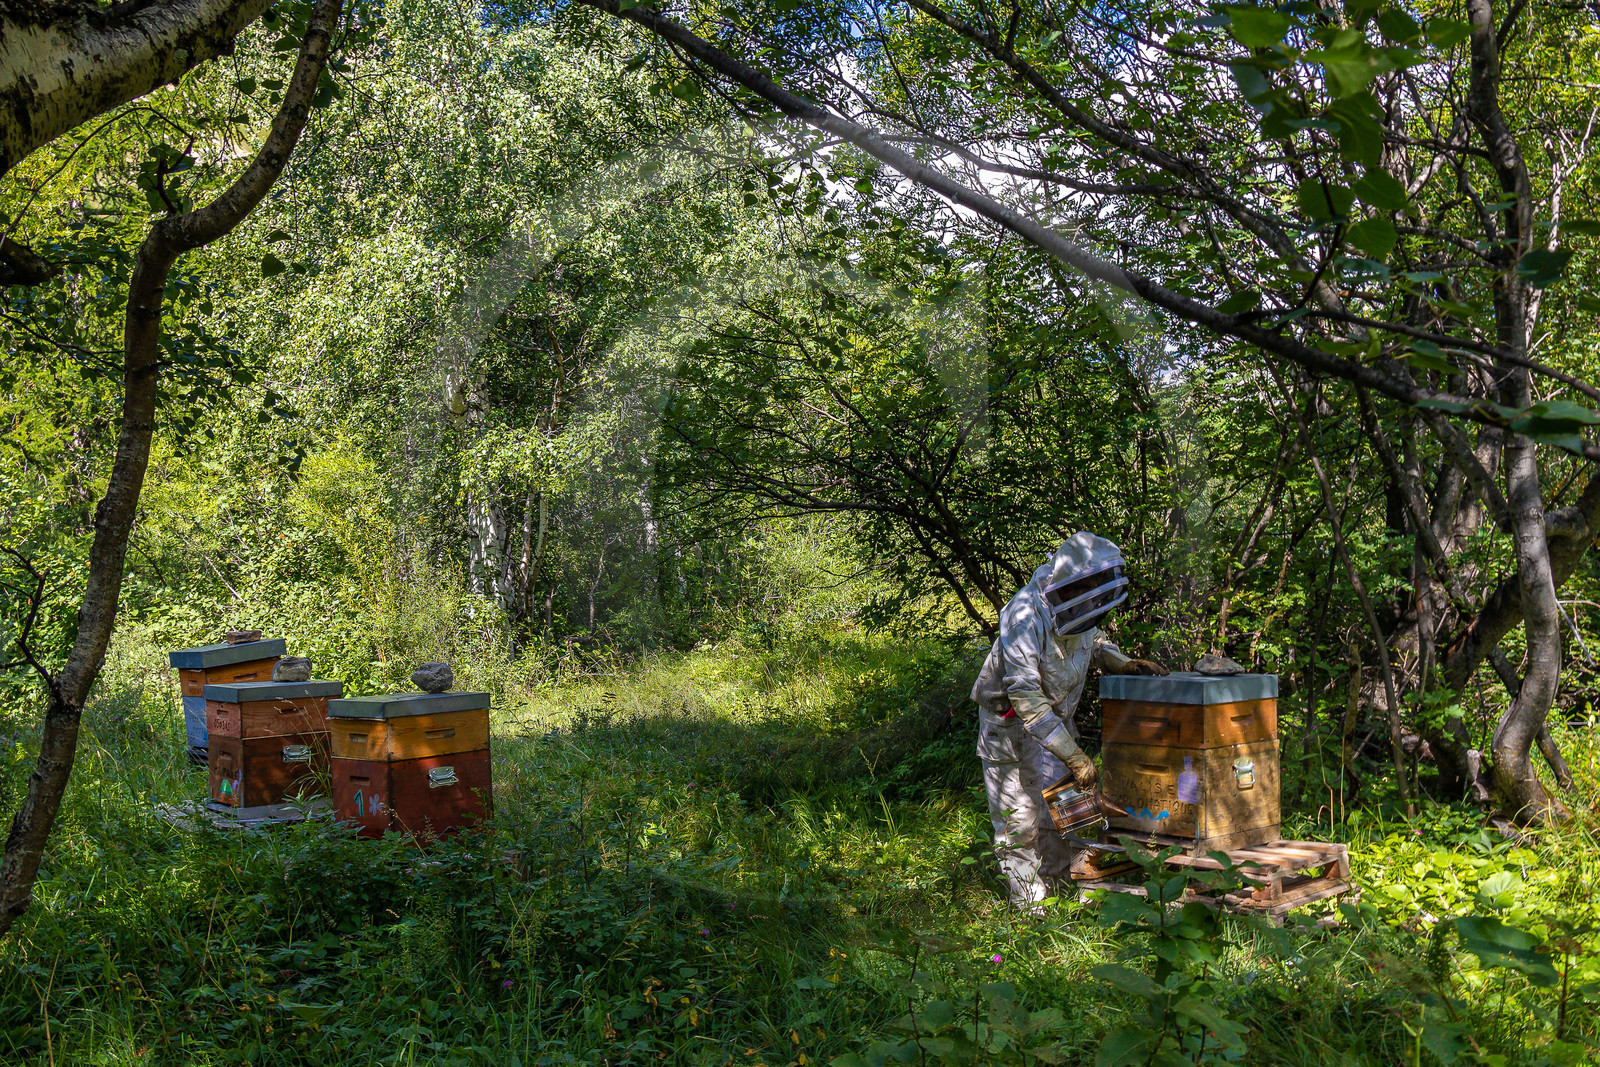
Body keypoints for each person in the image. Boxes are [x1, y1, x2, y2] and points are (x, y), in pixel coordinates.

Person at [970, 531, 1168, 908]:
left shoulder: (1081, 601)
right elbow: (1024, 694)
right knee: (1020, 823)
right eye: (1089, 587)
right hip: (1010, 727)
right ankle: (1032, 912)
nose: (1093, 595)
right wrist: (1074, 755)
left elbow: (1091, 641)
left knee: (1063, 816)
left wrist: (1120, 661)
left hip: (1055, 722)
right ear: (1071, 582)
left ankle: (1060, 897)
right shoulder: (1024, 613)